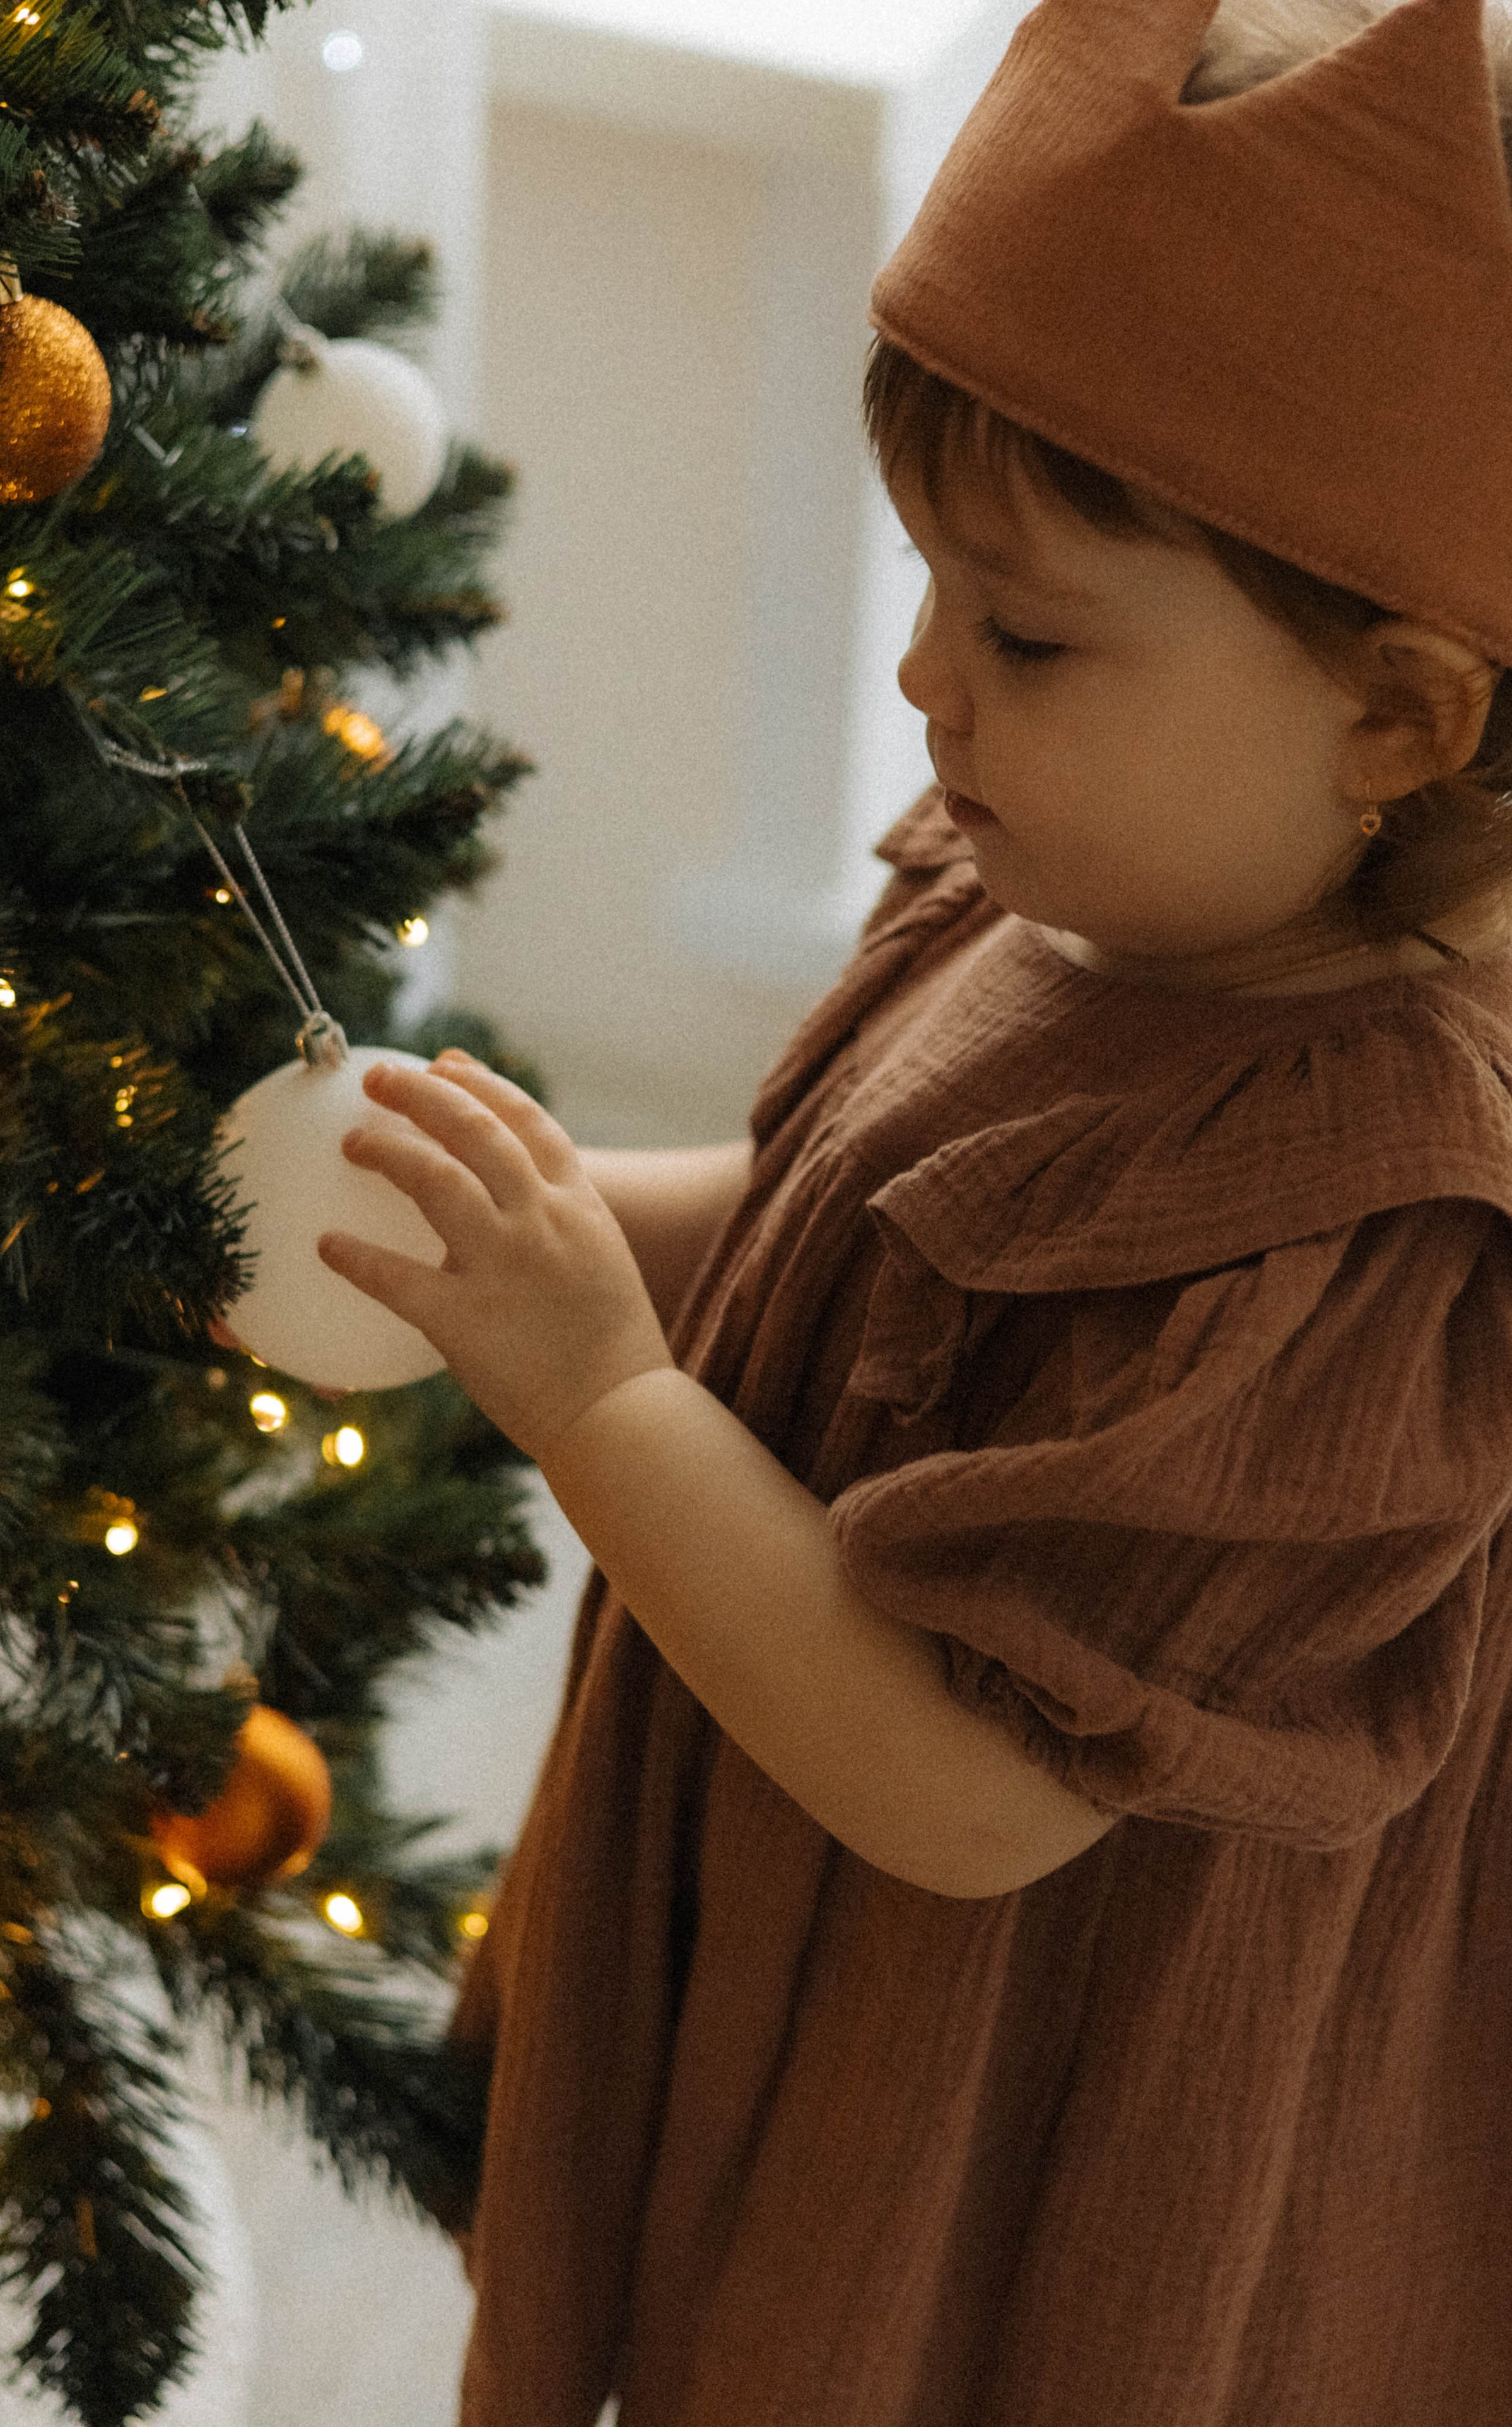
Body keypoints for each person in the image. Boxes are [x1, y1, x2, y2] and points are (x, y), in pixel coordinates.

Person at [319, 1, 1512, 2419]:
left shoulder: (1363, 1225)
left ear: (1395, 722)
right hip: (802, 1924)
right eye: (935, 588)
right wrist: (513, 1237)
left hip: (1008, 2102)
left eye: (1029, 634)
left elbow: (968, 1794)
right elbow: (834, 1235)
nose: (925, 679)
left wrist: (597, 1395)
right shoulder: (1046, 893)